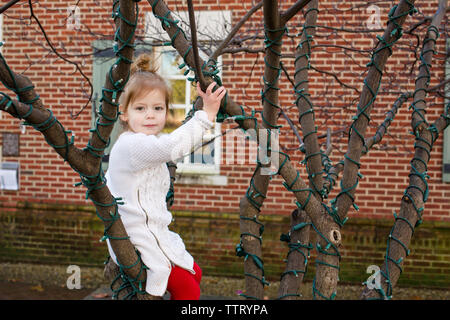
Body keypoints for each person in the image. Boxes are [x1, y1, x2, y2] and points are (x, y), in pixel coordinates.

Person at [105, 53, 226, 300]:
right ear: (124, 113)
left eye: (158, 108)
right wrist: (207, 115)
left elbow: (169, 144)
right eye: (140, 108)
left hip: (154, 231)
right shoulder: (131, 145)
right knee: (188, 288)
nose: (150, 115)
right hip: (136, 237)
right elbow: (172, 146)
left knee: (196, 273)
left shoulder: (148, 141)